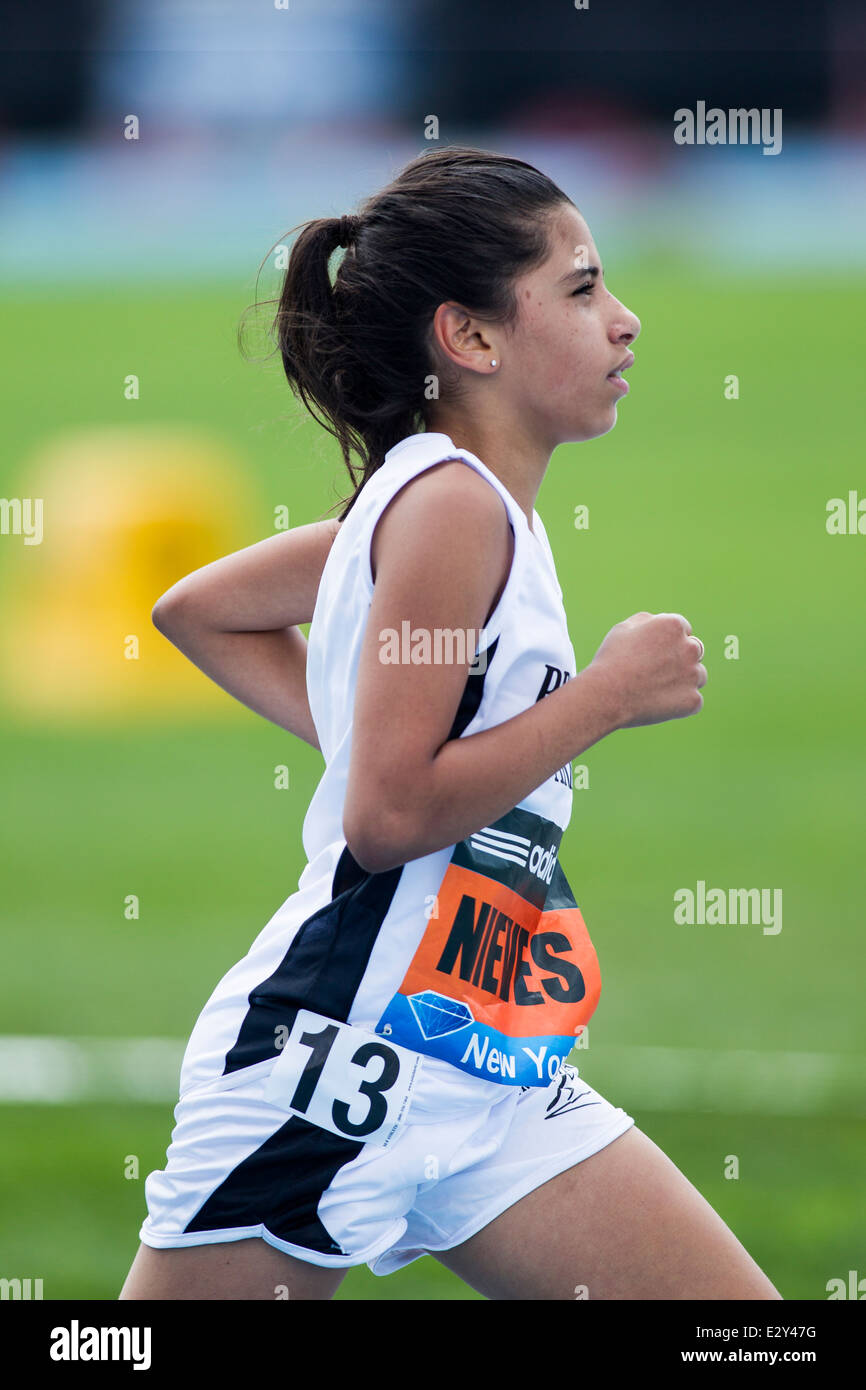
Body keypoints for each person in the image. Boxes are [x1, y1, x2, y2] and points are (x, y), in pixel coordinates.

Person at [120, 146, 781, 1301]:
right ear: (469, 340)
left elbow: (203, 609)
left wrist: (404, 752)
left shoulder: (445, 507)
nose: (624, 322)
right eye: (579, 289)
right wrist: (601, 699)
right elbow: (385, 819)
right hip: (334, 1061)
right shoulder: (449, 509)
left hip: (485, 1065)